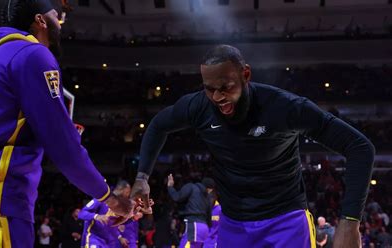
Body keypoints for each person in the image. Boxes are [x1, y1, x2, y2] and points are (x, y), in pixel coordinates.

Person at [131, 44, 375, 247]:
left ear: (245, 75)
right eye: (209, 89)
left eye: (226, 87)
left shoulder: (285, 107)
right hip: (233, 223)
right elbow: (158, 125)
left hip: (285, 221)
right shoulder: (198, 107)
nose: (217, 97)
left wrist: (349, 223)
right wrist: (142, 177)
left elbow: (359, 147)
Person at [0, 0, 134, 247]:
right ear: (40, 21)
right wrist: (109, 197)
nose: (61, 24)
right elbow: (64, 146)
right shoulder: (34, 54)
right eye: (57, 18)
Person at [79, 181, 133, 248]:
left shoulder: (120, 205)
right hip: (94, 238)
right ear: (120, 189)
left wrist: (119, 237)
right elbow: (81, 213)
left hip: (108, 242)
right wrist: (97, 216)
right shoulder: (103, 198)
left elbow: (112, 225)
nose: (128, 195)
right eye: (127, 192)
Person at [166, 175, 214, 248]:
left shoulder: (191, 187)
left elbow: (177, 197)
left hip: (194, 225)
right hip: (204, 228)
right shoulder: (208, 197)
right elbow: (209, 219)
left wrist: (170, 187)